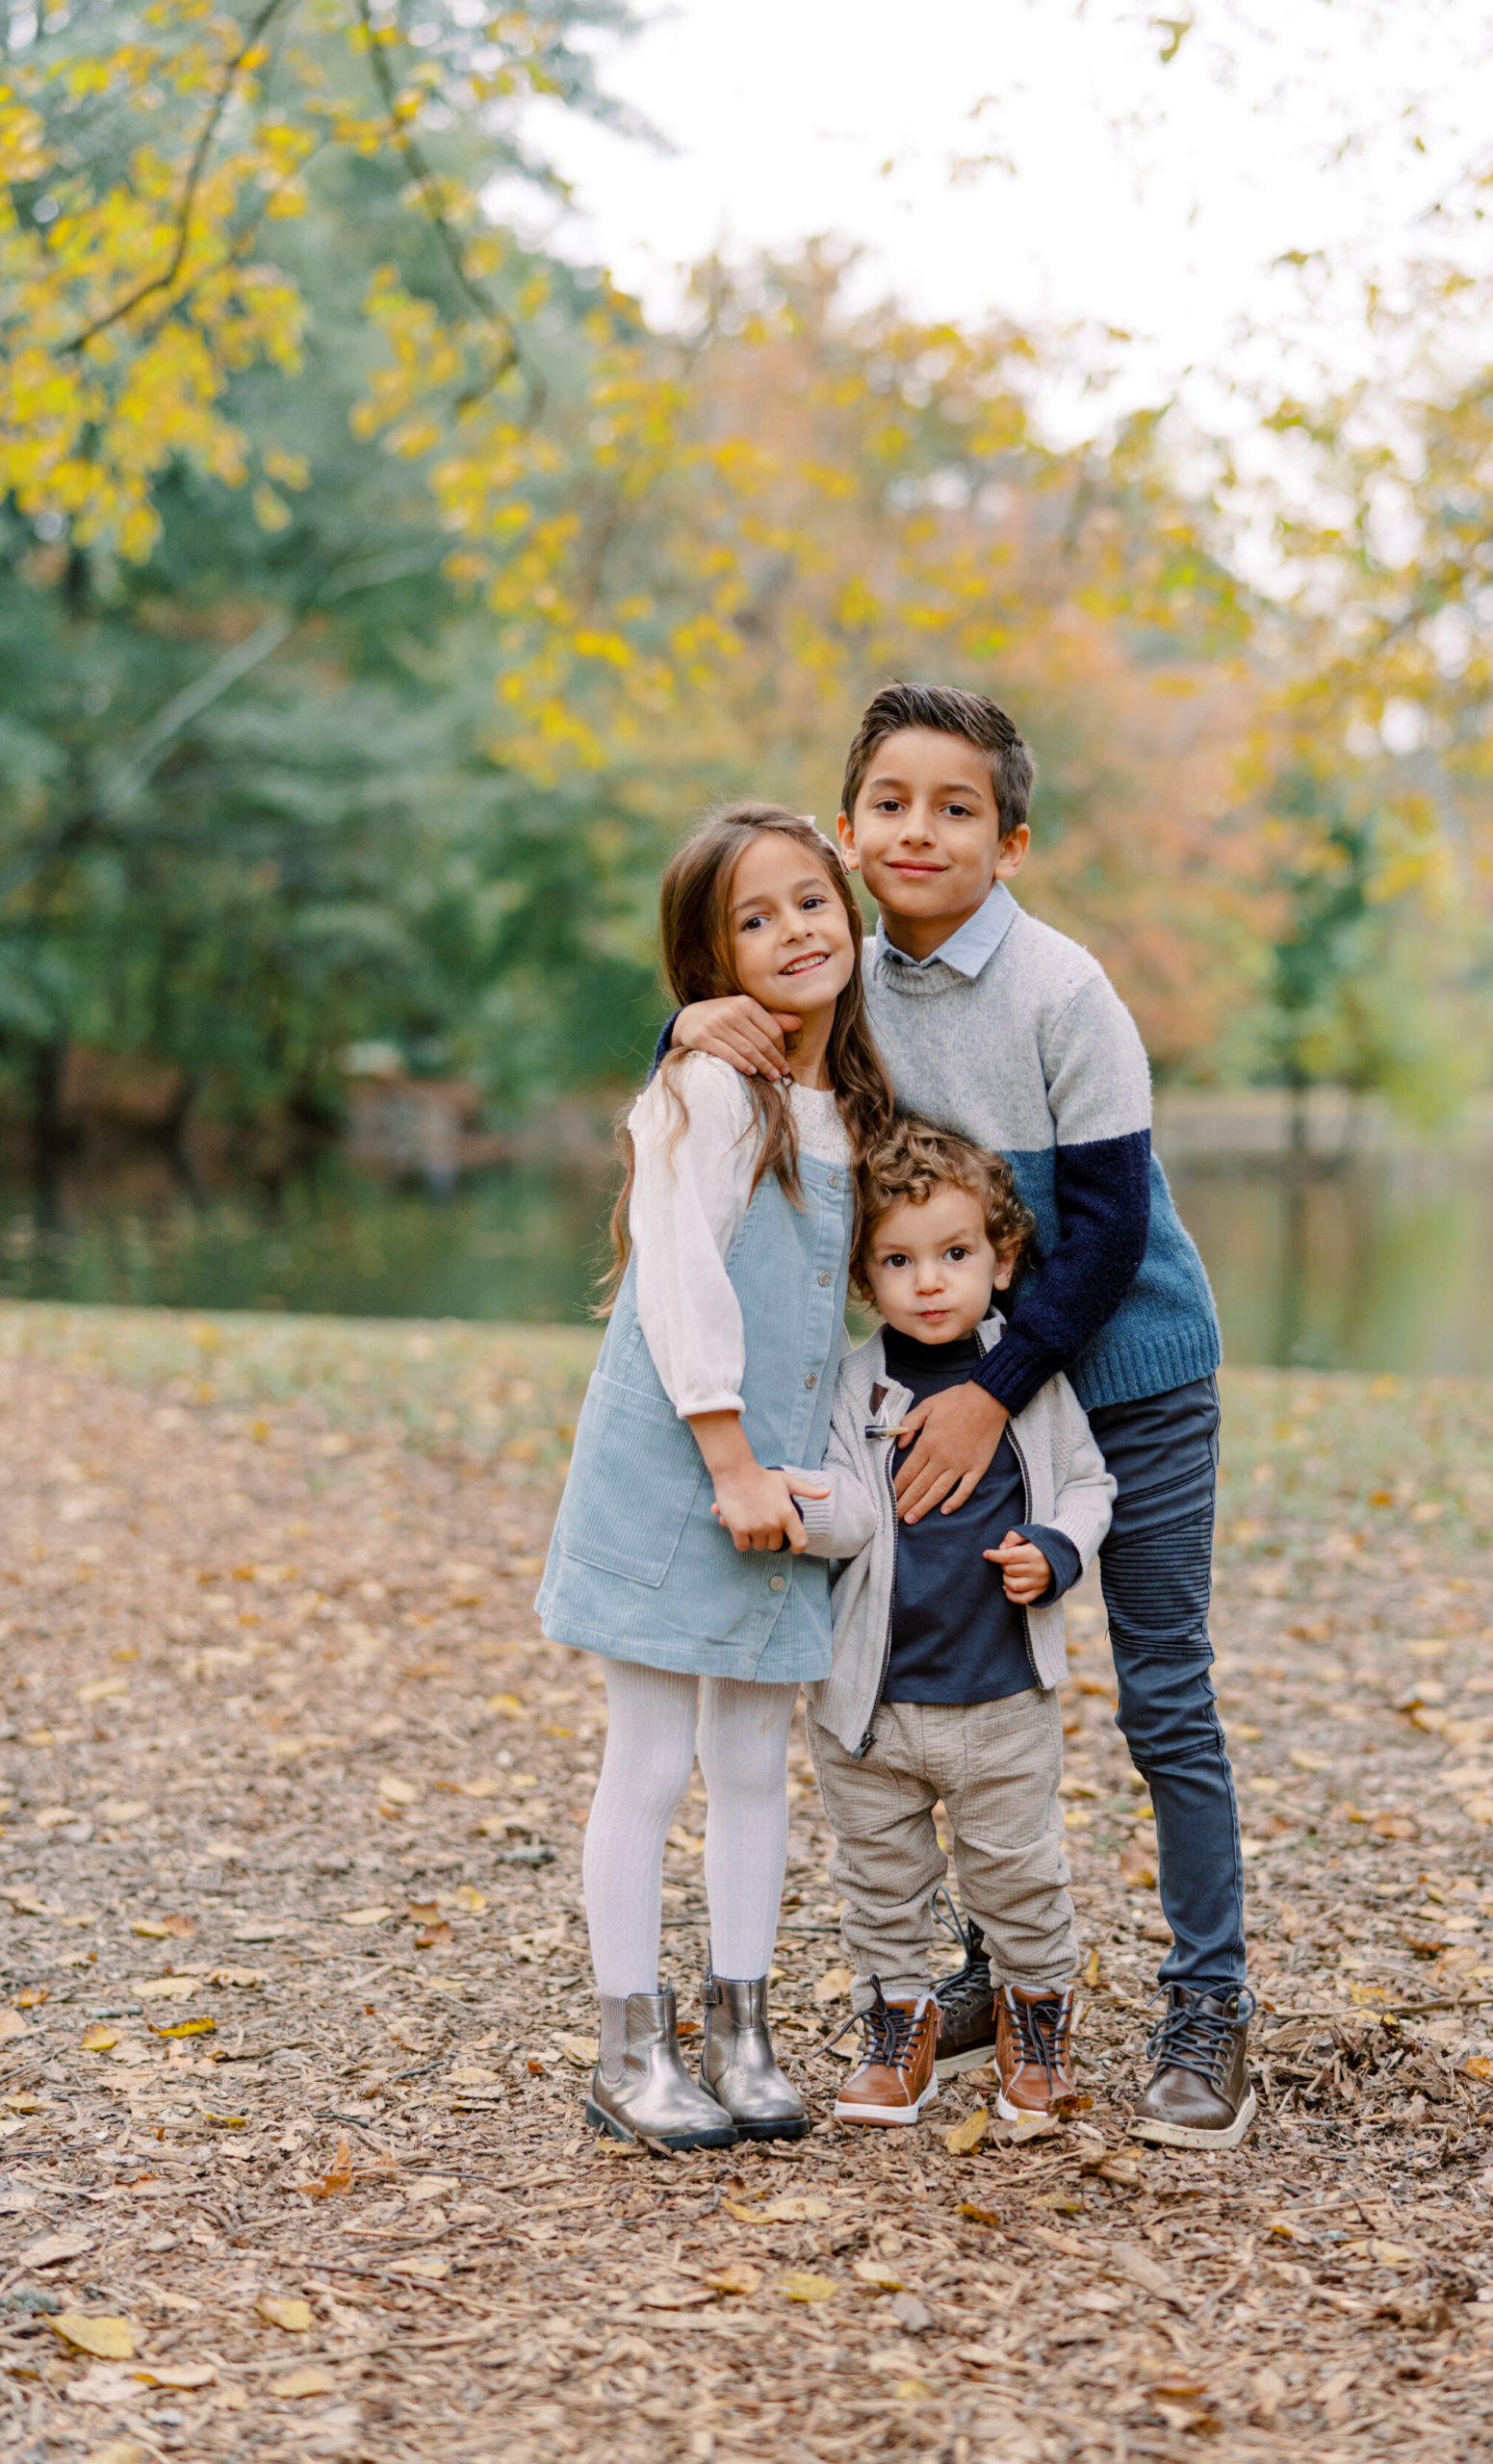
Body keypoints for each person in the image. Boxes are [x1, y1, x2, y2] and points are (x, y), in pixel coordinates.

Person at [669, 683, 1257, 2150]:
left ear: (1014, 839)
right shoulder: (843, 975)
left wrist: (997, 1397)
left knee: (1165, 1685)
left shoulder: (1065, 991)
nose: (918, 830)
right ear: (851, 827)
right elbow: (717, 1093)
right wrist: (687, 1020)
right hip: (959, 1383)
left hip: (1123, 1374)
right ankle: (999, 1971)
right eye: (890, 803)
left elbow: (1111, 1234)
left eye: (956, 807)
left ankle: (1210, 2002)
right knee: (971, 1652)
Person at [537, 802, 892, 2151]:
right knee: (653, 1756)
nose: (796, 931)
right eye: (755, 919)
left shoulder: (847, 1095)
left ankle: (742, 2034)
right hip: (686, 1462)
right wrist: (734, 1462)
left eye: (812, 900)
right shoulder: (709, 1087)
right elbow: (681, 1280)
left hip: (781, 1477)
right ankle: (632, 2047)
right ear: (710, 962)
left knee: (753, 1757)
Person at [793, 1118, 1114, 2126]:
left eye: (955, 1254)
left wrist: (1057, 1551)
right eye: (899, 1259)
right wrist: (794, 1511)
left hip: (1000, 1697)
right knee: (879, 1878)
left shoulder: (1029, 1378)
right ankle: (899, 2027)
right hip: (872, 1705)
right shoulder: (851, 1388)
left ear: (1001, 1256)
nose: (929, 1281)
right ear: (864, 1274)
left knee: (1018, 1874)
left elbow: (1089, 1485)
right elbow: (851, 1510)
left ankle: (1036, 2019)